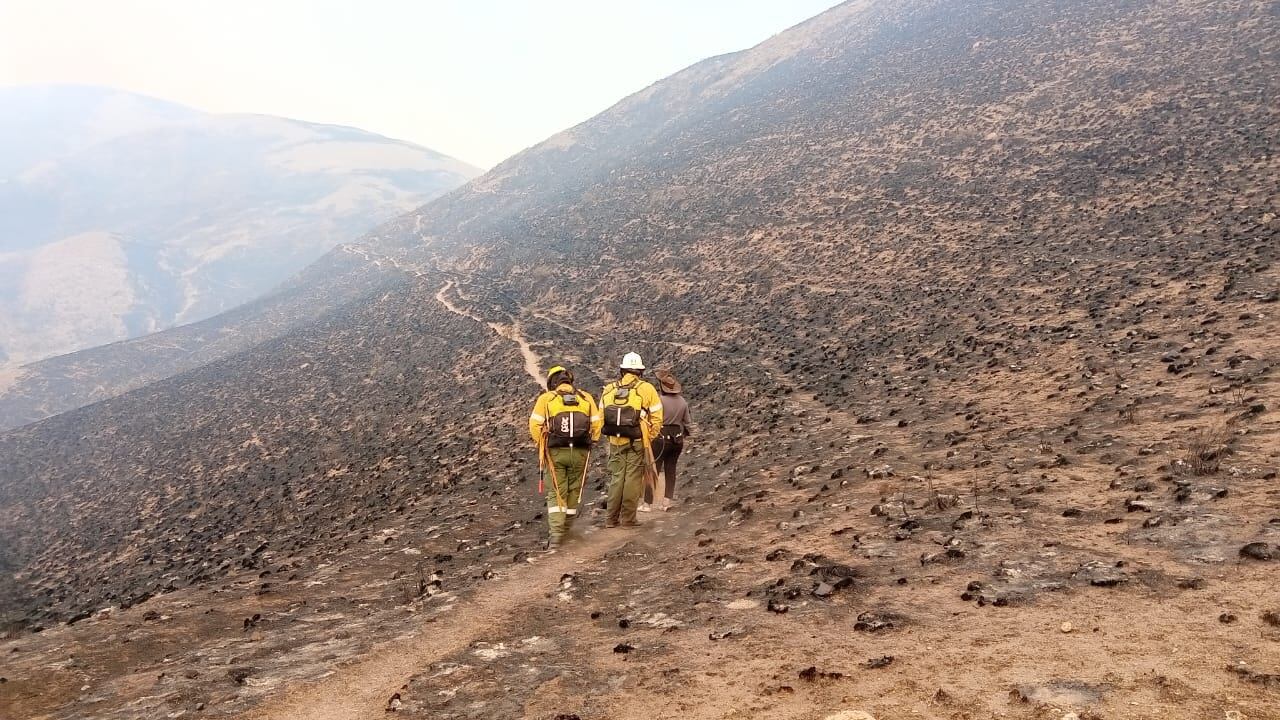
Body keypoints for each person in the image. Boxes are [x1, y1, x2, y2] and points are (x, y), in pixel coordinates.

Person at [529, 365, 601, 548]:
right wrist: (592, 441)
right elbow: (596, 424)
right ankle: (567, 531)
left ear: (553, 382)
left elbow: (535, 425)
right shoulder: (586, 398)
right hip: (580, 453)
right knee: (573, 492)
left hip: (555, 454)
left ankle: (556, 537)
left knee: (556, 493)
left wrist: (542, 445)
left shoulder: (546, 399)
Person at [599, 352, 663, 527]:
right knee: (633, 479)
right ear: (639, 371)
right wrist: (648, 437)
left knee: (616, 478)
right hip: (636, 441)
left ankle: (611, 519)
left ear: (622, 370)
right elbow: (657, 417)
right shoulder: (646, 389)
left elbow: (600, 416)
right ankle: (628, 519)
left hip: (614, 442)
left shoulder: (609, 389)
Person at [640, 369, 692, 512]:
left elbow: (650, 418)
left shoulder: (659, 400)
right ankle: (666, 502)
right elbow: (687, 422)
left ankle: (647, 504)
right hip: (677, 439)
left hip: (661, 437)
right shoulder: (683, 402)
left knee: (653, 470)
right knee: (671, 470)